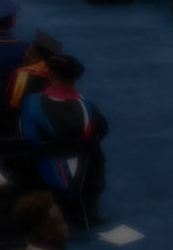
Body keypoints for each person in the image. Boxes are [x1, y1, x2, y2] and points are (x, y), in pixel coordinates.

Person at [20, 54, 108, 228]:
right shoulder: (88, 108)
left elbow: (27, 135)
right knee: (96, 153)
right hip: (80, 164)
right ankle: (88, 212)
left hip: (43, 163)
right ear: (75, 79)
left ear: (51, 76)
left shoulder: (32, 103)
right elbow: (101, 131)